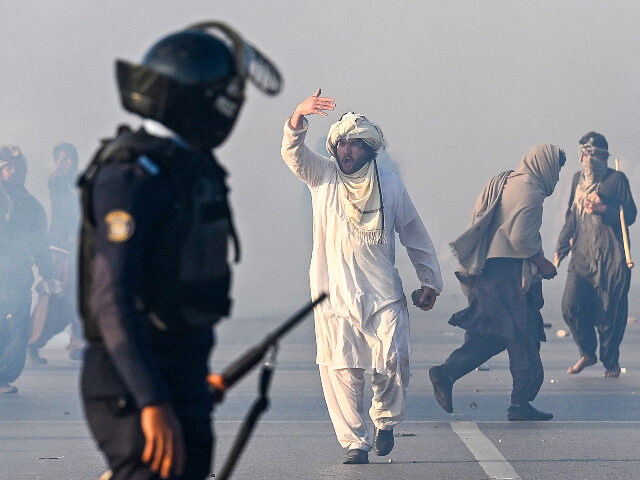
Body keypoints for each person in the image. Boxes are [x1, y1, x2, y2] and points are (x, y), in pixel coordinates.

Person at [78, 22, 281, 480]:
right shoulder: (132, 176)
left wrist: (190, 383)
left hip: (181, 374)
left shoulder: (185, 169)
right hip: (132, 385)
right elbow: (112, 299)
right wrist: (151, 399)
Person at [281, 90, 442, 464]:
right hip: (333, 294)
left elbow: (414, 233)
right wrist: (297, 117)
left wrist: (430, 280)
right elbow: (293, 154)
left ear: (370, 150)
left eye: (354, 145)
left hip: (382, 291)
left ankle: (385, 419)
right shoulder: (322, 175)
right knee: (342, 369)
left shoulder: (390, 184)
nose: (345, 152)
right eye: (341, 145)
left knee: (393, 358)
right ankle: (355, 442)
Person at [429, 145, 566, 421]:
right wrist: (542, 263)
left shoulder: (506, 181)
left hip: (489, 273)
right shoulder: (531, 192)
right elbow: (521, 239)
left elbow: (478, 215)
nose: (558, 176)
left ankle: (448, 373)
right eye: (558, 169)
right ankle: (519, 403)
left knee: (493, 335)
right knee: (523, 336)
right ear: (546, 165)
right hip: (507, 277)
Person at [554, 132, 636, 378]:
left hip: (612, 259)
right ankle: (587, 352)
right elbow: (572, 216)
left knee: (610, 313)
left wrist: (604, 208)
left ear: (604, 157)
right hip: (582, 257)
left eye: (595, 153)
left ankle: (611, 362)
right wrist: (560, 246)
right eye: (585, 153)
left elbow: (630, 214)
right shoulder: (577, 180)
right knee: (571, 305)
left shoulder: (617, 179)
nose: (589, 158)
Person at [0, 145, 56, 394]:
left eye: (19, 167)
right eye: (8, 167)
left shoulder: (32, 206)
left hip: (16, 278)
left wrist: (47, 273)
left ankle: (3, 377)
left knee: (16, 330)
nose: (15, 172)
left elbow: (40, 244)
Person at [28, 142, 84, 364]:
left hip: (78, 250)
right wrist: (59, 170)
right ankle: (30, 341)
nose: (66, 162)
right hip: (60, 252)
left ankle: (78, 344)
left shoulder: (79, 182)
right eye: (61, 158)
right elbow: (55, 183)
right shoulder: (58, 182)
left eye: (69, 158)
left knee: (78, 298)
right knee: (51, 297)